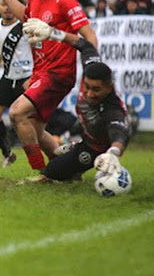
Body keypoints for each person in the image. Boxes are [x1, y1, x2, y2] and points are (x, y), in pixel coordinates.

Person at [0, 0, 97, 174]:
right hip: (41, 72)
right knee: (35, 129)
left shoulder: (66, 2)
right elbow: (24, 16)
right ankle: (66, 172)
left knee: (16, 113)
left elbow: (89, 36)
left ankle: (42, 173)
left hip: (58, 73)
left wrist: (91, 66)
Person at [22, 18, 130, 182]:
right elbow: (84, 44)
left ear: (110, 86)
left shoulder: (112, 108)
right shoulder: (91, 66)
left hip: (97, 148)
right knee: (52, 170)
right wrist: (52, 33)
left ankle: (87, 160)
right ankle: (75, 153)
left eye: (96, 90)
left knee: (54, 172)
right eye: (87, 87)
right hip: (87, 140)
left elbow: (120, 135)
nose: (90, 94)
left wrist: (113, 153)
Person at [0, 0, 33, 168]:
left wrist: (35, 76)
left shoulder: (26, 26)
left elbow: (39, 48)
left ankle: (47, 159)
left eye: (10, 5)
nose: (7, 8)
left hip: (27, 78)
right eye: (3, 5)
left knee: (32, 123)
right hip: (8, 77)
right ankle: (7, 153)